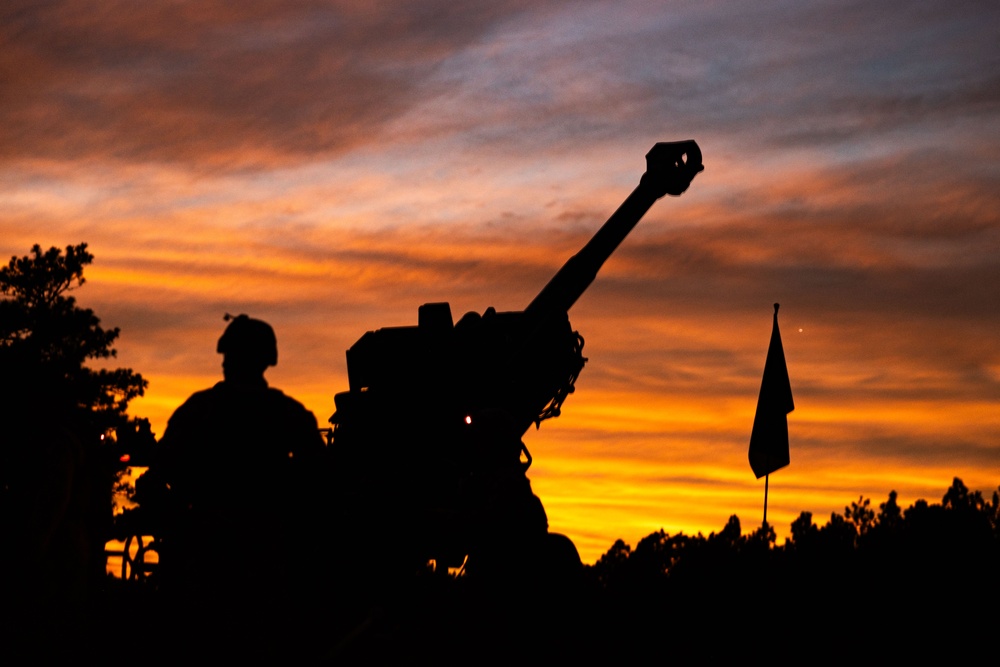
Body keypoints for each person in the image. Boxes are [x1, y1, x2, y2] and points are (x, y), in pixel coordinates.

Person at [139, 314, 327, 653]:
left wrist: (180, 522)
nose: (226, 363)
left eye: (230, 355)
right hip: (264, 564)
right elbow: (320, 487)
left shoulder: (199, 410)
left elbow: (154, 479)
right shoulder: (289, 415)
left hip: (209, 562)